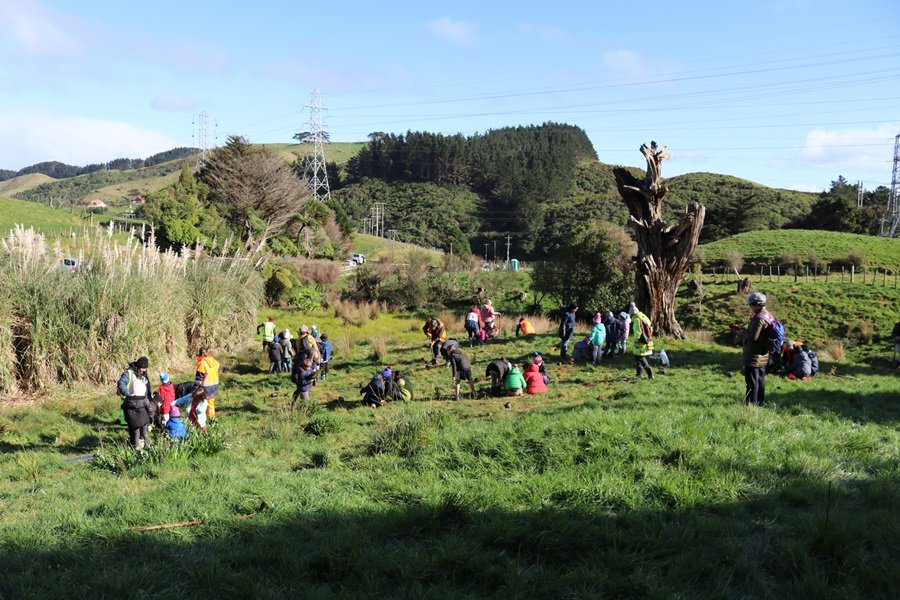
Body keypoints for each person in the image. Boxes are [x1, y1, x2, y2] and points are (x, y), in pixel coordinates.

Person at [740, 291, 774, 406]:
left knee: (752, 382)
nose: (750, 307)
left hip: (754, 356)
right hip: (763, 354)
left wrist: (742, 332)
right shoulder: (768, 314)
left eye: (751, 305)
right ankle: (760, 402)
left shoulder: (758, 319)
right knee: (760, 380)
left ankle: (751, 404)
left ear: (756, 304)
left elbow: (753, 337)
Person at [118, 356, 154, 450]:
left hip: (142, 403)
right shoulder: (128, 374)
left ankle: (142, 445)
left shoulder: (143, 372)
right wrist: (129, 394)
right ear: (138, 367)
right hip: (131, 404)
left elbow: (146, 384)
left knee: (143, 427)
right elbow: (121, 384)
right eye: (142, 370)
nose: (144, 372)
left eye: (145, 370)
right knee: (134, 428)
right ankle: (135, 445)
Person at [629, 303, 654, 379]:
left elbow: (637, 332)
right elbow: (651, 327)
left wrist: (635, 340)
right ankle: (639, 374)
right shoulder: (644, 317)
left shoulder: (637, 320)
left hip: (640, 342)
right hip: (647, 341)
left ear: (632, 314)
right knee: (638, 358)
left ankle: (649, 372)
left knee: (640, 358)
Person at [195, 348, 220, 420]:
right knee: (211, 404)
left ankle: (204, 420)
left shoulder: (202, 363)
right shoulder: (214, 361)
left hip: (205, 387)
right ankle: (212, 419)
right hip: (215, 385)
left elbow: (198, 378)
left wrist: (196, 389)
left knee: (202, 404)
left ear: (200, 354)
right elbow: (218, 366)